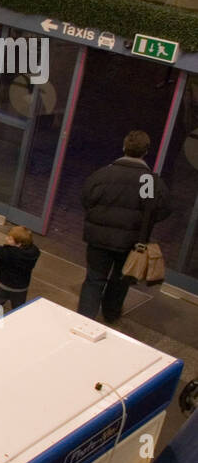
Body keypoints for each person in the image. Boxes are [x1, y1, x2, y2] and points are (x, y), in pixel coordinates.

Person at [77, 130, 172, 322]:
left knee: (94, 279)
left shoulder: (104, 174)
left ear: (124, 147)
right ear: (146, 152)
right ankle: (111, 314)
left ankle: (84, 319)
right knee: (120, 280)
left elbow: (86, 198)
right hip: (131, 242)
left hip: (99, 238)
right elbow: (161, 209)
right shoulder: (150, 181)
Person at [0, 225, 40, 327]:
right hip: (21, 288)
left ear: (19, 244)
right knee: (18, 306)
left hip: (5, 284)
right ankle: (17, 324)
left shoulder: (10, 253)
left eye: (10, 238)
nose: (6, 239)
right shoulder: (34, 253)